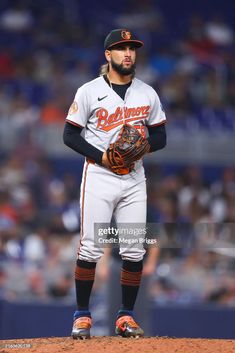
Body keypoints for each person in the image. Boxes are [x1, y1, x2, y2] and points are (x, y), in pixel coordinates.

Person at [63, 28, 167, 339]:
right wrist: (103, 157)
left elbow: (160, 136)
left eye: (132, 49)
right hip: (99, 175)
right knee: (91, 247)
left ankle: (126, 316)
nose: (128, 54)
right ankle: (82, 315)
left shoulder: (147, 93)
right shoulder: (88, 91)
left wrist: (144, 147)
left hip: (135, 178)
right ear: (108, 55)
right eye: (121, 49)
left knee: (135, 250)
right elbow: (69, 135)